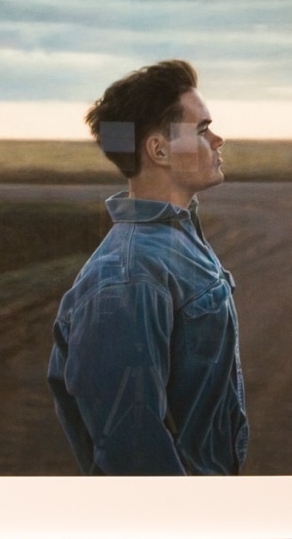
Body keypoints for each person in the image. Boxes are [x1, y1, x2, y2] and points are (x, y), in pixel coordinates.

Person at [47, 59, 249, 475]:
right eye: (202, 129)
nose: (218, 138)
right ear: (158, 150)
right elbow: (132, 450)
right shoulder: (128, 276)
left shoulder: (177, 240)